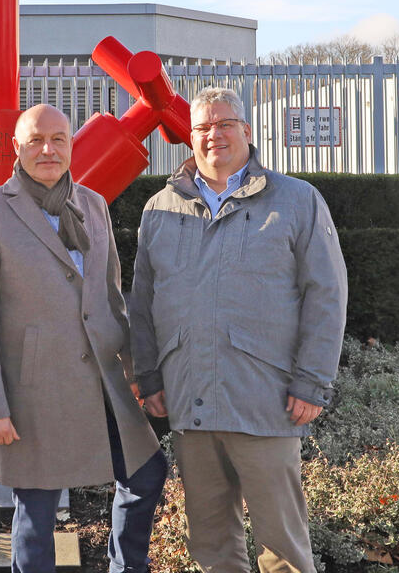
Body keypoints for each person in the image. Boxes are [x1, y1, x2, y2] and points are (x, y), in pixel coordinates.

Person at [130, 86, 348, 573]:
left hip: (266, 401)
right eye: (203, 127)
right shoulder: (160, 209)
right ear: (189, 138)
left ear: (247, 131)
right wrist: (150, 377)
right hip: (191, 400)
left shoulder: (297, 201)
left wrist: (312, 382)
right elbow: (142, 303)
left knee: (284, 549)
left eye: (224, 124)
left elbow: (326, 297)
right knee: (210, 544)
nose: (214, 136)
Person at [0, 103, 167, 573]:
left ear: (72, 144)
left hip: (103, 380)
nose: (47, 149)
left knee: (147, 473)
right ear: (15, 147)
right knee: (36, 511)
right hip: (35, 388)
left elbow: (111, 294)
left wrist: (134, 372)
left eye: (58, 139)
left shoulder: (91, 204)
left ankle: (125, 567)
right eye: (35, 140)